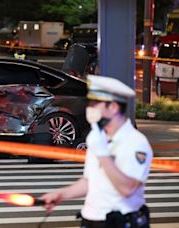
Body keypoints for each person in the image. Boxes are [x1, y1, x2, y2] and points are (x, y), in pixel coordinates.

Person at [41, 75, 153, 228]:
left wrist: (103, 154)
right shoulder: (98, 138)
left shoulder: (135, 142)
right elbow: (90, 181)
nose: (89, 108)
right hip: (90, 220)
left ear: (112, 107)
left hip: (120, 222)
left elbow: (127, 188)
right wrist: (61, 194)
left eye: (95, 104)